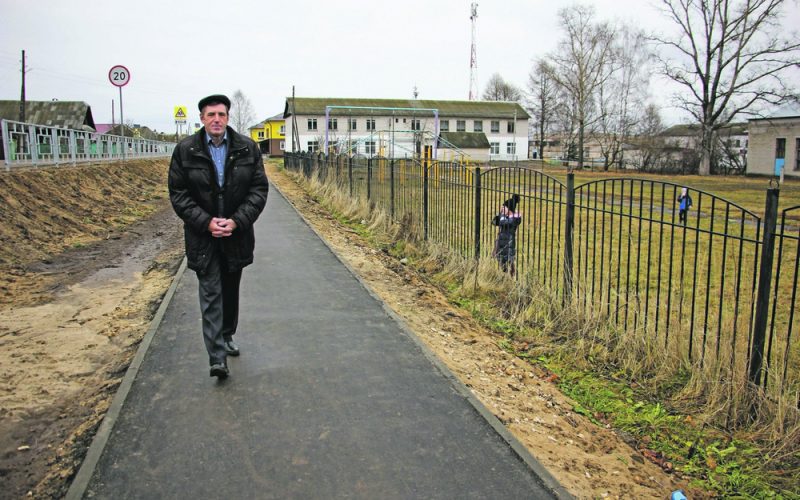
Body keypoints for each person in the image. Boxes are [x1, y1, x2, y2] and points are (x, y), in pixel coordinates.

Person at [168, 94, 269, 379]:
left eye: (221, 114)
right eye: (210, 114)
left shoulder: (246, 148)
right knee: (210, 292)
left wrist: (237, 222)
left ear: (228, 117)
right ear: (201, 118)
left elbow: (258, 190)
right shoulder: (186, 150)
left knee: (230, 288)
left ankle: (226, 334)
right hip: (203, 237)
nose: (216, 119)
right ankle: (217, 357)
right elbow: (179, 194)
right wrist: (206, 222)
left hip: (236, 235)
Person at [492, 194, 522, 275]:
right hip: (501, 240)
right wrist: (500, 215)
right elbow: (494, 222)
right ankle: (504, 275)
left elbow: (511, 222)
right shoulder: (503, 217)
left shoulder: (515, 217)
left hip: (509, 242)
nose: (501, 209)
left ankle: (512, 276)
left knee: (510, 259)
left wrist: (508, 214)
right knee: (500, 258)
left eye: (504, 207)